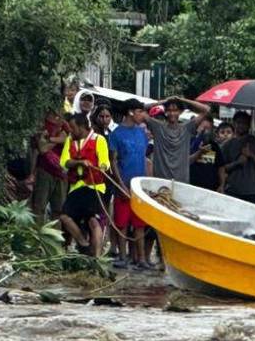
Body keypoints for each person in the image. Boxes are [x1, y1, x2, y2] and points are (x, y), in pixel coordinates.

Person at [59, 113, 111, 257]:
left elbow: (105, 162)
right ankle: (84, 244)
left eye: (73, 128)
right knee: (65, 216)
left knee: (94, 221)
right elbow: (64, 162)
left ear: (82, 127)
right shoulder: (70, 141)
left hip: (94, 187)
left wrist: (100, 166)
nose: (70, 131)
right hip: (76, 187)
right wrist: (79, 162)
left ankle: (97, 256)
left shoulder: (98, 140)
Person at [109, 99, 150, 268]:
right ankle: (123, 257)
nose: (143, 115)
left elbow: (145, 159)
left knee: (140, 224)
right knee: (122, 223)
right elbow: (113, 162)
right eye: (140, 111)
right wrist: (120, 185)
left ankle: (141, 259)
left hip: (139, 185)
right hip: (123, 184)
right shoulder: (116, 134)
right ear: (131, 112)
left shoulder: (142, 133)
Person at [145, 96, 209, 183]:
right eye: (169, 110)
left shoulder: (187, 128)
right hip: (160, 181)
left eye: (175, 110)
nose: (172, 113)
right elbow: (140, 108)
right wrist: (163, 101)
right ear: (166, 112)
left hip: (181, 182)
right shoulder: (157, 127)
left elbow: (206, 109)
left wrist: (182, 99)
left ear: (180, 112)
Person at [219, 111, 255, 204]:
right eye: (239, 122)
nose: (241, 125)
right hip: (232, 190)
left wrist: (251, 155)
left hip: (253, 191)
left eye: (245, 123)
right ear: (234, 124)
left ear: (249, 125)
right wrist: (237, 163)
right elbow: (221, 169)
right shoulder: (227, 145)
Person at [31, 108, 69, 222]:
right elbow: (41, 148)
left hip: (61, 172)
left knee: (59, 210)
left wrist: (50, 140)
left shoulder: (65, 123)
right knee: (38, 207)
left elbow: (66, 138)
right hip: (44, 170)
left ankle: (54, 238)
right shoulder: (40, 123)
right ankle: (36, 237)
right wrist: (59, 138)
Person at [188, 115, 223, 192]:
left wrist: (221, 185)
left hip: (210, 188)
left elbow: (220, 167)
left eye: (207, 128)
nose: (204, 131)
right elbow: (186, 162)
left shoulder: (214, 146)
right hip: (192, 187)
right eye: (202, 127)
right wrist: (199, 152)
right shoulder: (189, 142)